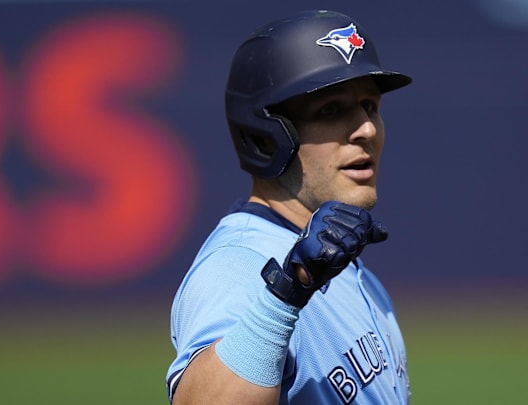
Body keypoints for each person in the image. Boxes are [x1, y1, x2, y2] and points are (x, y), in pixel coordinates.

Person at [166, 9, 412, 404]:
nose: (366, 128)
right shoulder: (238, 266)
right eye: (330, 110)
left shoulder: (340, 262)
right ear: (266, 137)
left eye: (369, 105)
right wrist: (288, 290)